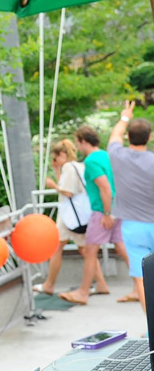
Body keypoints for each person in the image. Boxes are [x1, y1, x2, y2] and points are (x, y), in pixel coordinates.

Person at [60, 125, 130, 305]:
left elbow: (104, 186)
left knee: (89, 250)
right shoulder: (106, 156)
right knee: (122, 248)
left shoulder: (91, 161)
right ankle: (140, 286)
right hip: (117, 207)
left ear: (83, 141)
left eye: (77, 142)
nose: (77, 146)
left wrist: (106, 213)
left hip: (103, 210)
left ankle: (83, 292)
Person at [35, 139, 105, 296]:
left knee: (57, 248)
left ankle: (49, 285)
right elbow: (70, 185)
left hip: (68, 216)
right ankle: (101, 283)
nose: (55, 161)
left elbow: (67, 192)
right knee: (87, 250)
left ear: (61, 155)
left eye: (55, 158)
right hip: (80, 214)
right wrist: (57, 171)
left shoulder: (68, 167)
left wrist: (53, 185)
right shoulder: (79, 166)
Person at [107, 100, 154, 314]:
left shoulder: (118, 155)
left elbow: (114, 136)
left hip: (133, 227)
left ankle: (151, 331)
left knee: (141, 279)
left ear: (128, 138)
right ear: (150, 137)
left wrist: (125, 116)